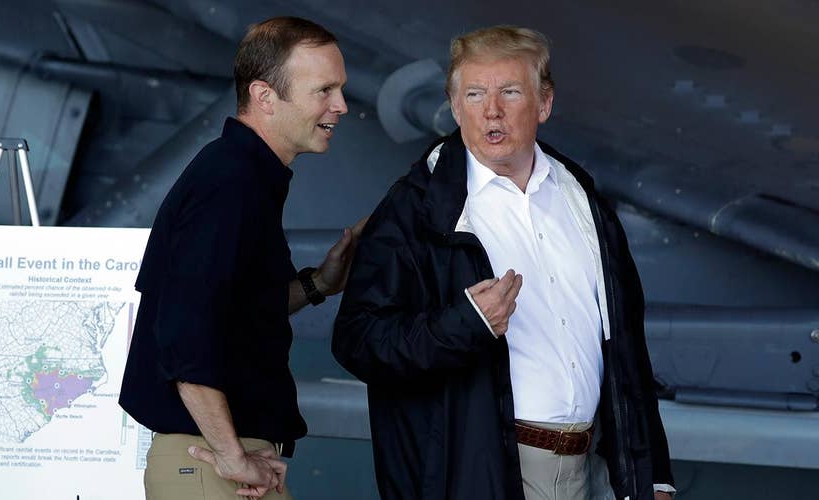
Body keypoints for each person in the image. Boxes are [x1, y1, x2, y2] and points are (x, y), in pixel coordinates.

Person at [332, 26, 674, 500]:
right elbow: (358, 340)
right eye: (474, 94)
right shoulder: (417, 207)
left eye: (510, 92)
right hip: (488, 471)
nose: (491, 110)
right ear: (455, 107)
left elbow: (628, 347)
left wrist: (651, 472)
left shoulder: (581, 197)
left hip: (596, 469)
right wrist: (464, 325)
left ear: (544, 103)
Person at [120, 16, 363, 500]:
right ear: (264, 95)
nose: (341, 105)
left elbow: (236, 313)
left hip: (222, 463)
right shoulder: (229, 184)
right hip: (214, 468)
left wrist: (319, 283)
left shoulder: (242, 178)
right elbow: (184, 333)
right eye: (324, 90)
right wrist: (231, 456)